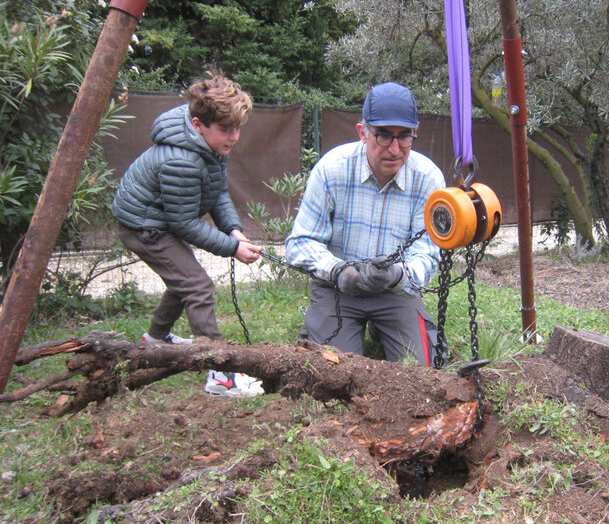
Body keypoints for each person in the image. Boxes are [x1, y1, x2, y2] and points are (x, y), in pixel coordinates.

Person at [112, 72, 264, 398]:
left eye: (238, 128)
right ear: (198, 124)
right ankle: (220, 375)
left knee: (184, 280)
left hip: (159, 221)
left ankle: (155, 341)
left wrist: (233, 230)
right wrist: (232, 248)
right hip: (144, 227)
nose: (235, 137)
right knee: (197, 286)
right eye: (226, 130)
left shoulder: (208, 145)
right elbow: (184, 224)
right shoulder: (182, 161)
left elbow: (218, 191)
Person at [285, 82, 446, 365]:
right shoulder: (332, 169)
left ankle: (389, 328)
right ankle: (322, 325)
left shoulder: (428, 179)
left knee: (420, 371)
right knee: (334, 369)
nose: (394, 149)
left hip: (395, 292)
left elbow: (428, 251)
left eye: (404, 136)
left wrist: (397, 275)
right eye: (383, 136)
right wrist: (338, 270)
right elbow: (300, 242)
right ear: (363, 132)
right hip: (337, 290)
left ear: (415, 132)